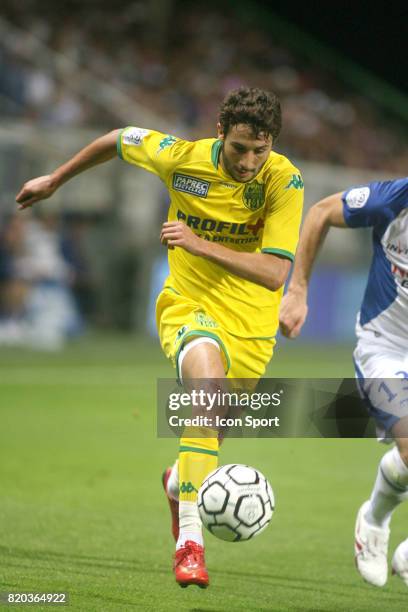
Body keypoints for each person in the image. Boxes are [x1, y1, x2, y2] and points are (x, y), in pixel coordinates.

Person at [16, 87, 304, 588]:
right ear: (220, 132)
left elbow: (275, 273)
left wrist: (200, 242)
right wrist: (55, 180)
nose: (249, 161)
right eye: (239, 148)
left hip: (253, 326)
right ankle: (190, 543)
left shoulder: (285, 181)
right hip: (188, 307)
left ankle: (177, 484)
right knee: (206, 396)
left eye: (260, 149)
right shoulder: (181, 158)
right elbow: (117, 138)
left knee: (209, 431)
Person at [279, 177, 408, 588]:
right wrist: (297, 290)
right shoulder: (393, 199)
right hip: (384, 347)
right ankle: (374, 522)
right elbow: (319, 213)